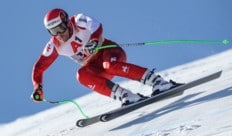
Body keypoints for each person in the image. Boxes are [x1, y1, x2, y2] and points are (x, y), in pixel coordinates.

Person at [31, 8, 181, 106]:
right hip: (94, 67)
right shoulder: (55, 45)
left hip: (109, 51)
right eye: (53, 31)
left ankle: (158, 82)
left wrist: (94, 41)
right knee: (81, 75)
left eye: (60, 28)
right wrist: (38, 87)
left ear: (66, 22)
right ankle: (126, 96)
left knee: (109, 65)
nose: (59, 34)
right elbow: (39, 67)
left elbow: (96, 26)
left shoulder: (78, 20)